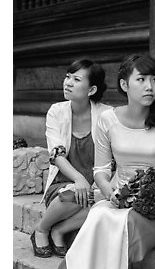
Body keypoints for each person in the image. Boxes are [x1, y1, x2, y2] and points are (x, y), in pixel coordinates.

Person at [48, 53, 155, 269]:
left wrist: (151, 197)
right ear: (124, 85)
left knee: (114, 223)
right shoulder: (108, 120)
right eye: (141, 79)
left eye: (154, 80)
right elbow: (101, 170)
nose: (149, 87)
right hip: (117, 200)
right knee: (99, 214)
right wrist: (109, 192)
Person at [30, 59, 108, 258]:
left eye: (76, 79)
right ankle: (41, 229)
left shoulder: (106, 115)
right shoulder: (56, 111)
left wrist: (95, 184)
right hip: (62, 186)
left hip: (94, 187)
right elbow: (56, 156)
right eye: (67, 77)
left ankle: (59, 230)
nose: (68, 82)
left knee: (108, 201)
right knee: (73, 192)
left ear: (91, 90)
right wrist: (78, 179)